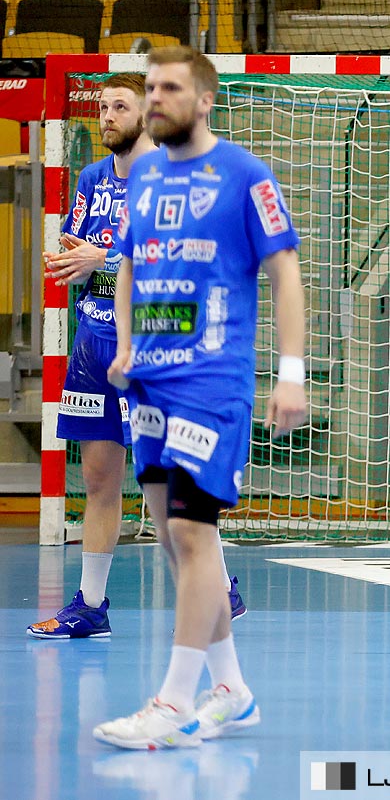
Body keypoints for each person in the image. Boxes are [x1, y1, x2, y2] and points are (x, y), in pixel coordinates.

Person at [93, 46, 307, 748]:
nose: (155, 98)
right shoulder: (146, 173)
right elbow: (128, 262)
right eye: (149, 87)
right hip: (149, 381)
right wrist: (124, 342)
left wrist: (291, 372)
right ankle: (234, 690)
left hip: (211, 382)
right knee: (177, 541)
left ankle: (173, 703)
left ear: (204, 98)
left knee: (192, 531)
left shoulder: (244, 175)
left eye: (169, 88)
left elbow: (284, 272)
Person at [29, 74, 244, 638]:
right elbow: (85, 250)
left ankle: (219, 587)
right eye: (101, 107)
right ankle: (91, 606)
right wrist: (74, 261)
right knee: (99, 477)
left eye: (118, 106)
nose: (106, 116)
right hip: (93, 339)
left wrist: (101, 259)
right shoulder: (92, 178)